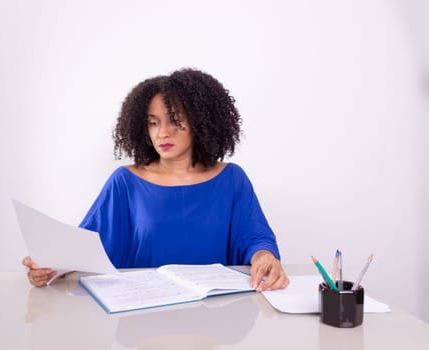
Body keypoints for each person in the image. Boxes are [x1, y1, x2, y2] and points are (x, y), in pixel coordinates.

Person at [23, 68, 289, 291]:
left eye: (175, 120)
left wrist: (264, 257)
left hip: (215, 314)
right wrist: (50, 266)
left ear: (201, 122)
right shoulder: (125, 182)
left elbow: (256, 238)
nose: (163, 133)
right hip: (142, 313)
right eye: (153, 123)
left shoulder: (231, 179)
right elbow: (85, 249)